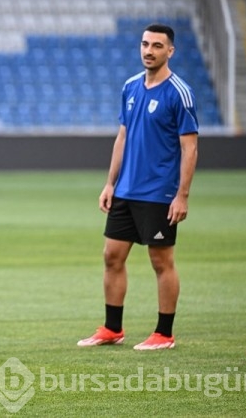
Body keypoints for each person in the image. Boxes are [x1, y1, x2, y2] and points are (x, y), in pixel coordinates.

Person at [77, 23, 198, 351]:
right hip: (125, 191)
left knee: (162, 262)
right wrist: (110, 183)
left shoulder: (179, 93)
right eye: (145, 44)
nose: (149, 50)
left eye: (157, 46)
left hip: (158, 194)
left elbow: (190, 148)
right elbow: (123, 136)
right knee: (112, 256)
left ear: (170, 51)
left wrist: (182, 195)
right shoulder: (131, 87)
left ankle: (164, 333)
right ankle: (112, 328)